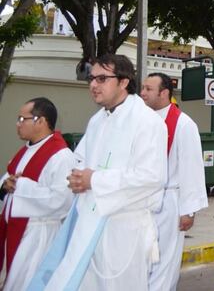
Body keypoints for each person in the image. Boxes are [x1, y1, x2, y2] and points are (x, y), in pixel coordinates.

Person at [29, 54, 167, 290]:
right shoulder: (97, 121)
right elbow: (80, 161)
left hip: (123, 228)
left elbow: (152, 177)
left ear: (124, 81)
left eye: (102, 79)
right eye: (91, 79)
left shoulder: (148, 122)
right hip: (88, 221)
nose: (93, 85)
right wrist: (75, 178)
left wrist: (94, 179)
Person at [141, 73, 208, 291]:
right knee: (141, 259)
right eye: (143, 88)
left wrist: (188, 210)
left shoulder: (183, 124)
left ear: (164, 93)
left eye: (148, 89)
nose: (142, 93)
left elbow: (192, 168)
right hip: (141, 202)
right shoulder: (139, 119)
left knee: (164, 261)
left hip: (169, 202)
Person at [0, 98, 75, 291]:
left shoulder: (61, 156)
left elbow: (63, 200)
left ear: (40, 121)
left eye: (22, 119)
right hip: (14, 229)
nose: (18, 124)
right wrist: (5, 184)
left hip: (37, 235)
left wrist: (21, 185)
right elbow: (8, 176)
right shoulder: (27, 149)